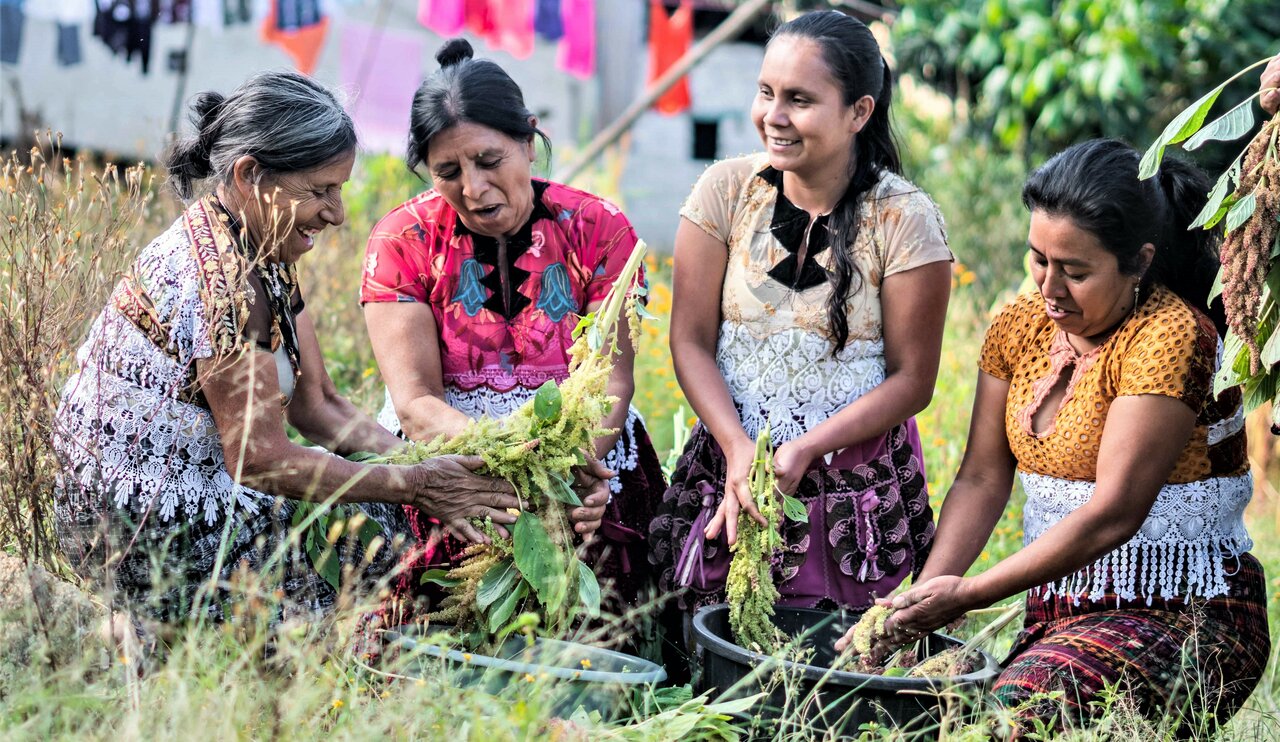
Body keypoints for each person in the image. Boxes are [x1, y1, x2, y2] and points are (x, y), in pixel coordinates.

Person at [52, 71, 526, 625]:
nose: (337, 213)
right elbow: (259, 459)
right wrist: (420, 486)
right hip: (139, 528)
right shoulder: (222, 278)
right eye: (320, 190)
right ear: (251, 175)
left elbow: (318, 404)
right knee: (382, 563)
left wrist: (433, 469)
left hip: (184, 497)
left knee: (398, 523)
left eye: (340, 189)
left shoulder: (257, 246)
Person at [841, 139, 1270, 735]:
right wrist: (914, 612)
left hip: (1186, 616)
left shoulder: (1170, 337)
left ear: (1140, 262)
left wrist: (969, 594)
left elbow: (1113, 514)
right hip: (1060, 616)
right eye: (1038, 259)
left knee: (1009, 718)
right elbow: (982, 477)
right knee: (926, 703)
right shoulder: (1020, 327)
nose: (1050, 287)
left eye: (1076, 271)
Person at [649, 11, 952, 616]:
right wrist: (737, 448)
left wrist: (808, 448)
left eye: (799, 99)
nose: (773, 116)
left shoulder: (905, 219)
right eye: (766, 92)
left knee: (834, 668)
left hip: (854, 482)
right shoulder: (724, 192)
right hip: (728, 464)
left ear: (859, 112)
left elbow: (913, 381)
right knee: (709, 651)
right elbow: (689, 342)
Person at [360, 39, 667, 613]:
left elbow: (610, 383)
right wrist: (502, 475)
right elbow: (415, 401)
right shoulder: (402, 241)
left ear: (528, 140)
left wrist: (573, 476)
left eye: (489, 160)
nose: (472, 190)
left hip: (580, 463)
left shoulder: (600, 231)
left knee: (600, 643)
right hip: (451, 467)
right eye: (447, 172)